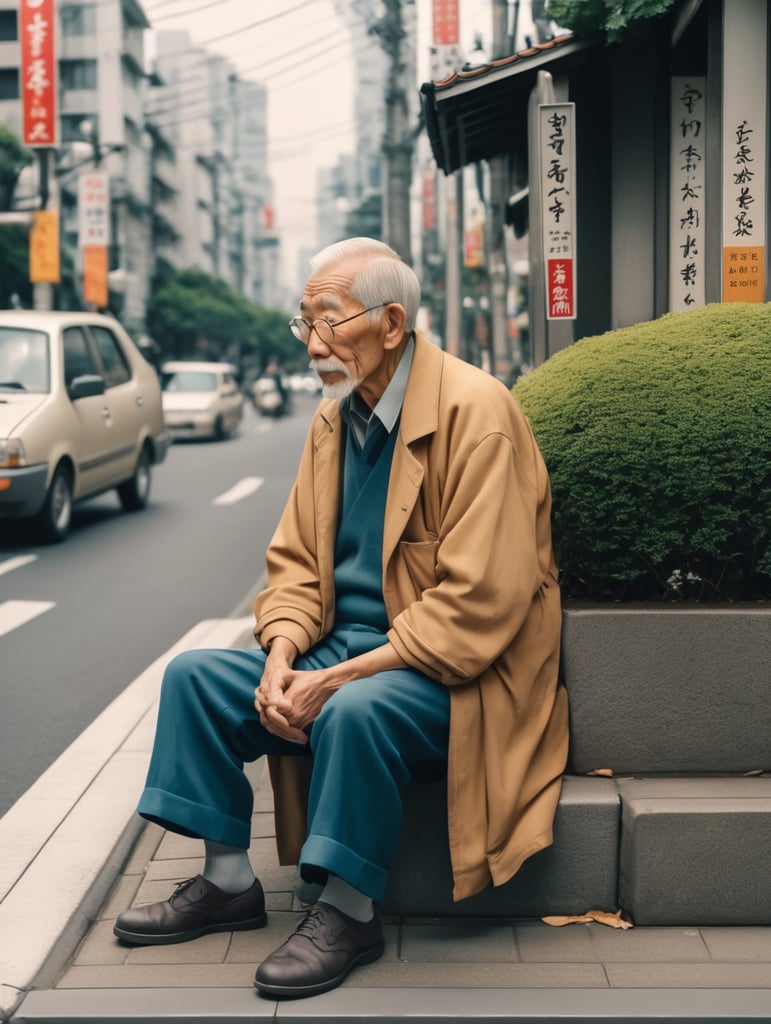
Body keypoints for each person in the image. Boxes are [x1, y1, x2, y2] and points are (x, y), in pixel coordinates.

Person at [114, 237, 569, 1000]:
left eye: (328, 322)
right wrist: (281, 661)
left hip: (453, 669)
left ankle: (349, 911)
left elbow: (476, 607)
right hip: (344, 650)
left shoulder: (478, 413)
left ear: (391, 324)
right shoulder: (334, 419)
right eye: (304, 324)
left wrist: (338, 677)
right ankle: (228, 882)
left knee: (354, 709)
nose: (313, 344)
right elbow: (291, 563)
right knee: (195, 676)